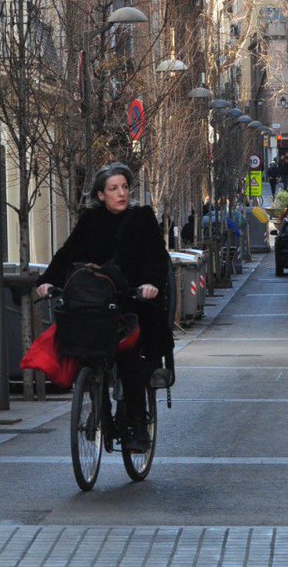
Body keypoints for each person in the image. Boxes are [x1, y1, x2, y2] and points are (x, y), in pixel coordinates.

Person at [36, 163, 171, 452]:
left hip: (133, 302)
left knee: (130, 358)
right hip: (97, 304)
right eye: (113, 189)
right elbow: (67, 253)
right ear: (100, 195)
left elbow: (157, 258)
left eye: (125, 187)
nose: (121, 193)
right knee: (83, 349)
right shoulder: (91, 220)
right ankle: (99, 407)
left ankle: (136, 424)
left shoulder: (142, 218)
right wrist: (47, 281)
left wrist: (151, 284)